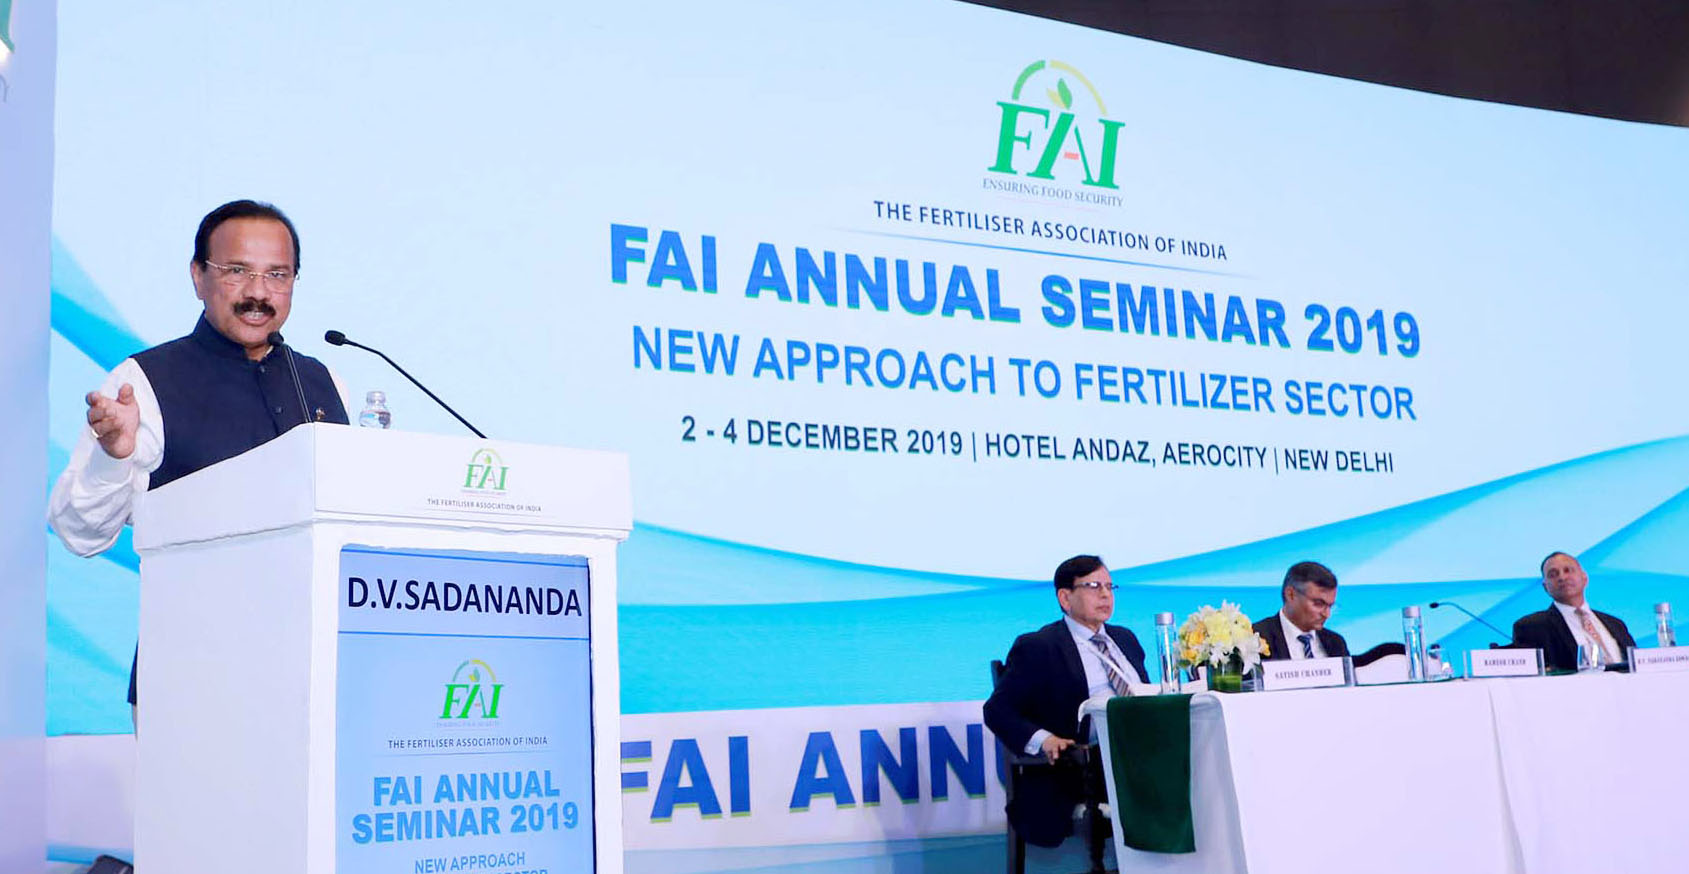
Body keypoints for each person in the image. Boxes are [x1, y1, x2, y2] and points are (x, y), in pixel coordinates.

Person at [47, 199, 350, 712]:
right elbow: (78, 534)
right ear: (198, 276)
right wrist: (113, 457)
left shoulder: (324, 381)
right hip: (189, 684)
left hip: (312, 678)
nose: (258, 293)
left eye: (277, 275)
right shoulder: (143, 382)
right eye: (237, 271)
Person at [983, 554, 1149, 849]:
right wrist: (1045, 740)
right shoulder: (1040, 646)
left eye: (1110, 587)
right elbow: (998, 710)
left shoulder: (1125, 639)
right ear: (1065, 597)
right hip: (1083, 768)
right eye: (1094, 586)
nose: (1105, 595)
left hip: (1141, 755)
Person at [1512, 551, 1635, 671]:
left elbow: (1637, 664)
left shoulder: (1616, 624)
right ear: (1545, 587)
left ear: (1584, 578)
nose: (1562, 577)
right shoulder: (1531, 627)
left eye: (1568, 570)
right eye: (1553, 574)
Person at [1253, 560, 1350, 661]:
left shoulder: (1336, 643)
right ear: (1291, 595)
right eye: (1319, 604)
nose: (1327, 614)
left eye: (1330, 606)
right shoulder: (1254, 638)